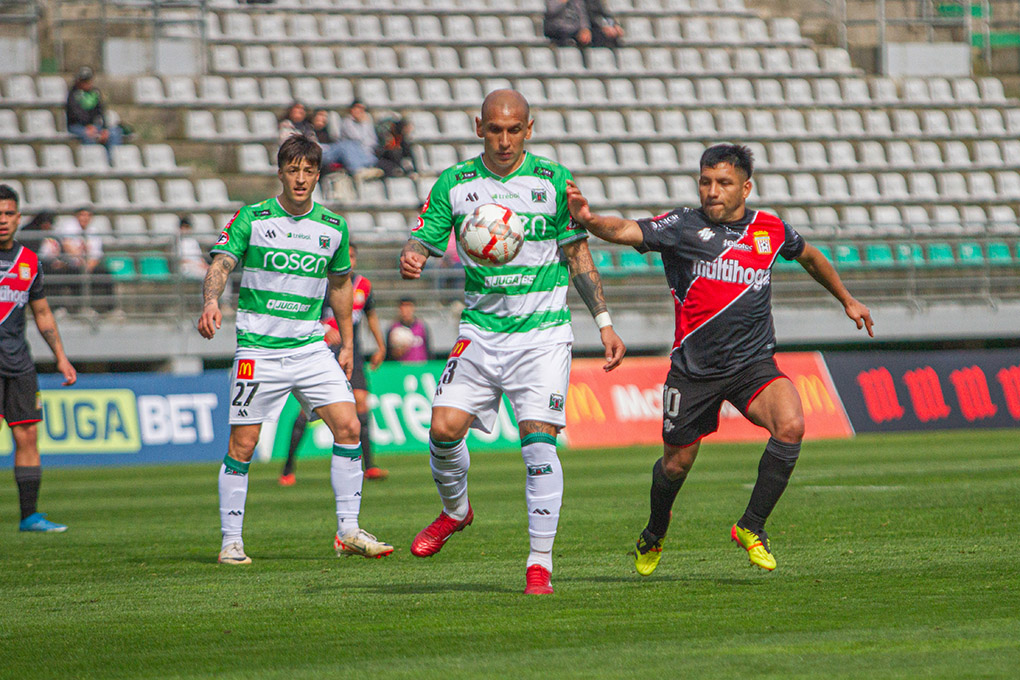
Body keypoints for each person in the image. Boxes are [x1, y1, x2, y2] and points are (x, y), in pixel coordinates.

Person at [565, 143, 874, 575]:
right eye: (706, 182)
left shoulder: (770, 229)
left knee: (791, 425)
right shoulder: (681, 225)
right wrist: (590, 220)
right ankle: (654, 532)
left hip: (753, 364)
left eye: (723, 183)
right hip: (694, 372)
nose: (712, 191)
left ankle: (752, 526)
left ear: (745, 187)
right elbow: (623, 230)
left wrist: (847, 299)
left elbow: (809, 256)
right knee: (675, 465)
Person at [398, 89, 626, 595]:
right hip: (481, 333)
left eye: (514, 129)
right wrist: (413, 254)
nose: (504, 140)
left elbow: (578, 256)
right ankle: (456, 511)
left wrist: (604, 322)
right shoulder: (455, 184)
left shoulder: (553, 182)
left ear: (529, 128)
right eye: (495, 129)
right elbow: (424, 236)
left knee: (537, 442)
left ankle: (538, 563)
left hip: (542, 336)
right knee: (441, 431)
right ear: (478, 126)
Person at [198, 135, 392, 565]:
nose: (300, 179)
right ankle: (231, 541)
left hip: (310, 348)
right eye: (293, 170)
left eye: (308, 171)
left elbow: (341, 284)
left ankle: (348, 530)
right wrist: (211, 300)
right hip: (259, 351)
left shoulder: (333, 227)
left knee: (349, 427)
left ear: (318, 175)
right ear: (280, 173)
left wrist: (344, 340)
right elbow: (221, 263)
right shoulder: (253, 218)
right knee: (243, 446)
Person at [0, 184, 77, 532]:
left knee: (27, 436)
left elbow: (42, 313)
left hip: (19, 363)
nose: (2, 221)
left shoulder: (28, 261)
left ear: (18, 217)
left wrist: (61, 357)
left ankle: (29, 515)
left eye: (8, 214)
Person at [280, 242, 389, 486]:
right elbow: (304, 316)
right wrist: (324, 330)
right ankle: (287, 469)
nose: (349, 260)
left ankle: (369, 466)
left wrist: (381, 346)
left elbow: (370, 315)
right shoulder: (323, 283)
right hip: (324, 356)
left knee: (361, 402)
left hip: (354, 354)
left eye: (352, 255)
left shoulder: (363, 285)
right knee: (307, 411)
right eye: (345, 255)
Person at [56, 207, 113, 313]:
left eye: (88, 215)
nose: (85, 218)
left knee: (105, 273)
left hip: (87, 265)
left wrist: (88, 266)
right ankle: (80, 308)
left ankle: (111, 309)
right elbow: (68, 247)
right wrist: (82, 262)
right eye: (82, 215)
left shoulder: (93, 231)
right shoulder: (69, 228)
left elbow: (96, 254)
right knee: (76, 273)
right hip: (70, 264)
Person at [65, 67, 123, 155]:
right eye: (84, 81)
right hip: (77, 126)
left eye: (88, 80)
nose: (87, 83)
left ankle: (112, 161)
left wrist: (104, 129)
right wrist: (88, 126)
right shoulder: (73, 94)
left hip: (95, 126)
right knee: (88, 136)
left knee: (114, 133)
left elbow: (101, 112)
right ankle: (92, 161)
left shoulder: (95, 93)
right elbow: (75, 113)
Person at [338, 100, 384, 181]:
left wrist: (365, 123)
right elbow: (357, 138)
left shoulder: (367, 123)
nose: (360, 112)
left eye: (362, 109)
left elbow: (373, 140)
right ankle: (362, 171)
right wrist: (363, 123)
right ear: (352, 110)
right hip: (354, 153)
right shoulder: (347, 122)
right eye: (357, 109)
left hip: (369, 152)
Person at [384, 297, 430, 363]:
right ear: (399, 309)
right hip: (402, 369)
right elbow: (388, 355)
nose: (406, 310)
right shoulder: (393, 329)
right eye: (404, 307)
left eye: (409, 306)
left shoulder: (421, 327)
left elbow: (428, 351)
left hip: (419, 369)